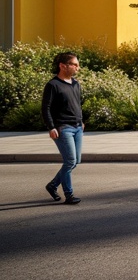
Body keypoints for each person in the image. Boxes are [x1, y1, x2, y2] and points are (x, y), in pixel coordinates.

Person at [42, 52, 84, 204]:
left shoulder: (75, 84)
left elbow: (77, 104)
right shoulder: (53, 85)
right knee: (70, 161)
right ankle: (69, 195)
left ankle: (52, 185)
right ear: (62, 65)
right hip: (63, 128)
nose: (77, 68)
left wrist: (81, 121)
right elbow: (45, 108)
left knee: (75, 161)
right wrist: (51, 127)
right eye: (75, 64)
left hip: (78, 127)